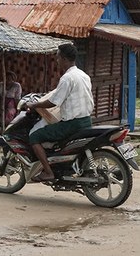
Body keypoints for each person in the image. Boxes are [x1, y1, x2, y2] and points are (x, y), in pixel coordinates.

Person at [27, 43, 94, 182]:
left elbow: (53, 102)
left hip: (72, 124)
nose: (57, 61)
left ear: (64, 59)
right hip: (86, 120)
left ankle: (48, 171)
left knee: (34, 136)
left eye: (58, 58)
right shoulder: (83, 75)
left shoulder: (67, 78)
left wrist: (35, 105)